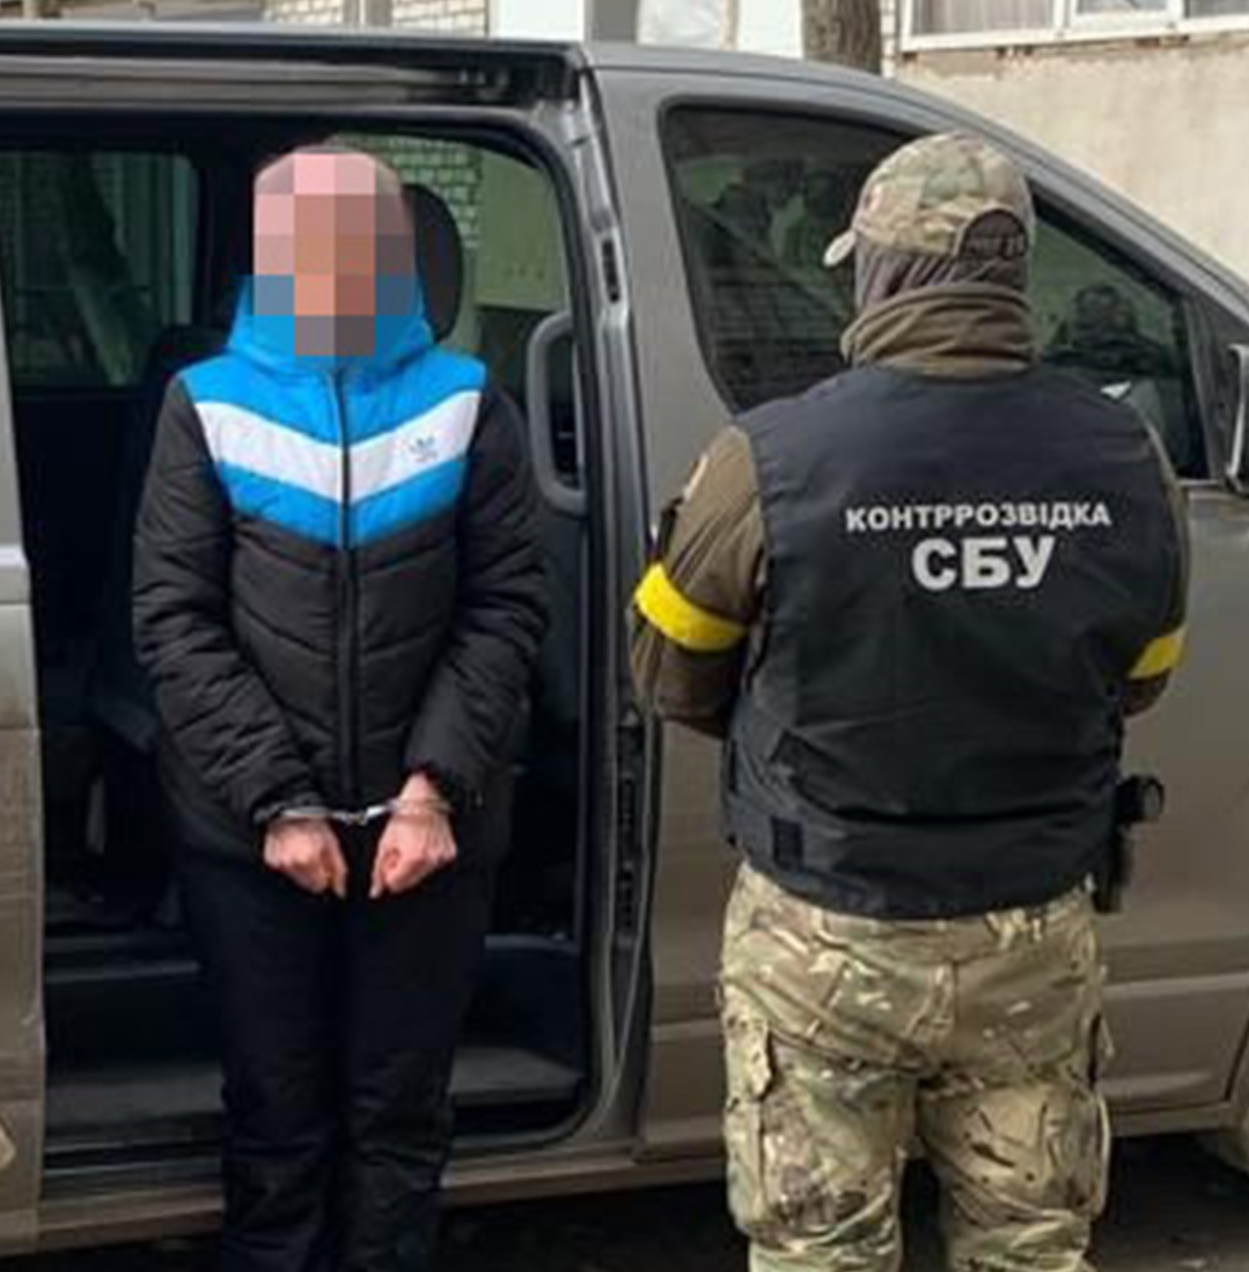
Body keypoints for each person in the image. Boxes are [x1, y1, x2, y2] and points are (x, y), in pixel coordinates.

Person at [632, 132, 1190, 1272]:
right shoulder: (1126, 454)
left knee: (820, 1252)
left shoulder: (770, 456)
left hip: (827, 929)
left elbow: (668, 668)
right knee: (1030, 1247)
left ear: (882, 272)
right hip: (1032, 931)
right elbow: (1143, 673)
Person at [131, 146, 548, 1272]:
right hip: (251, 838)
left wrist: (433, 790)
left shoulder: (466, 402)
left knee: (398, 1115)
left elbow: (506, 607)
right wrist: (279, 802)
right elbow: (172, 620)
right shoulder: (204, 403)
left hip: (427, 840)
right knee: (276, 1113)